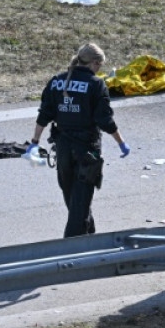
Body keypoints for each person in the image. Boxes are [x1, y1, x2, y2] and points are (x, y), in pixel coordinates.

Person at [28, 43, 131, 237]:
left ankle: (90, 237)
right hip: (87, 150)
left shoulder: (56, 81)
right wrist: (121, 143)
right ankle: (72, 247)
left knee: (74, 201)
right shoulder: (96, 84)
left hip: (63, 149)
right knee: (79, 205)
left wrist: (34, 142)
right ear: (94, 63)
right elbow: (105, 120)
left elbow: (44, 115)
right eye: (100, 65)